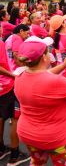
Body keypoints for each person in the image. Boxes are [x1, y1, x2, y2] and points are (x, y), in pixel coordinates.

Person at [14, 37, 66, 165]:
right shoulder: (53, 82)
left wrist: (63, 65)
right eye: (48, 52)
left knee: (37, 162)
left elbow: (42, 74)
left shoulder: (20, 76)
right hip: (54, 137)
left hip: (28, 134)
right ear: (44, 57)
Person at [0, 37, 30, 165]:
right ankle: (15, 155)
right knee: (15, 118)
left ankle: (1, 149)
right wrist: (14, 76)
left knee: (1, 117)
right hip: (6, 84)